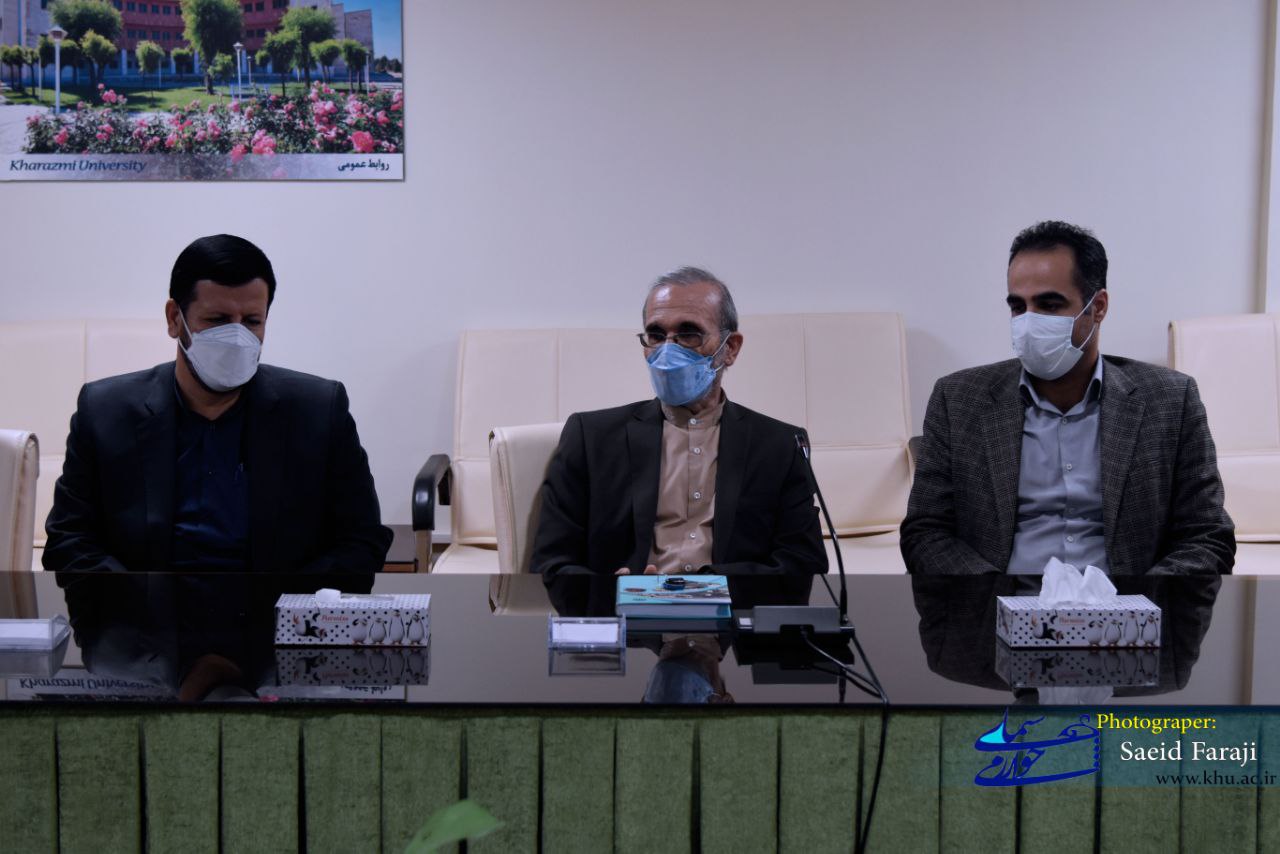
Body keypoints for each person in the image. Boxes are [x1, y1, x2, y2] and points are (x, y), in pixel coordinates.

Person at [43, 234, 392, 575]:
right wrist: (138, 602)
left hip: (274, 610)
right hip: (146, 610)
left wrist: (291, 603)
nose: (237, 338)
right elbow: (68, 541)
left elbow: (361, 541)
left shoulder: (319, 410)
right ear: (174, 319)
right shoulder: (105, 411)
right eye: (217, 321)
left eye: (252, 321)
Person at [901, 221, 1234, 575]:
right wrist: (992, 597)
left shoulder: (1170, 401)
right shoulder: (958, 400)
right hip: (998, 601)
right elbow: (925, 534)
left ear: (1098, 306)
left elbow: (1207, 536)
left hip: (1125, 605)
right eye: (1018, 307)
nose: (1029, 323)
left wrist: (1145, 601)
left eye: (1049, 305)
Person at [531, 267, 827, 582]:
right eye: (656, 335)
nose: (668, 350)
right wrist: (608, 590)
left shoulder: (780, 445)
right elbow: (551, 561)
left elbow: (802, 561)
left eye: (689, 334)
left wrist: (708, 586)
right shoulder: (591, 437)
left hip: (732, 608)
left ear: (730, 348)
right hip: (626, 609)